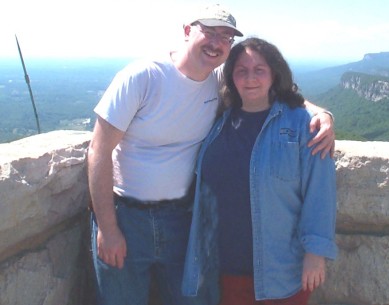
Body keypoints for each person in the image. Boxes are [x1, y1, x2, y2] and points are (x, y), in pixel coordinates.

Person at [88, 4, 335, 305]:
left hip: (183, 222)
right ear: (187, 30)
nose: (217, 43)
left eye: (226, 37)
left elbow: (267, 87)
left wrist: (320, 113)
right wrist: (108, 227)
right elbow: (99, 150)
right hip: (127, 218)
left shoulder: (217, 81)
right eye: (209, 32)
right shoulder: (143, 76)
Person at [182, 37, 338, 305]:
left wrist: (316, 253)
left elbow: (320, 191)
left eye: (259, 70)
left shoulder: (303, 125)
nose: (250, 78)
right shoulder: (218, 121)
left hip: (282, 272)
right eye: (241, 70)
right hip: (224, 269)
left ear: (274, 74)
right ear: (231, 76)